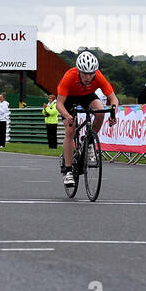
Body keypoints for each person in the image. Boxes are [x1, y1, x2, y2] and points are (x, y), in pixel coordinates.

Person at [56, 50, 120, 188]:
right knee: (70, 130)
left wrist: (113, 112)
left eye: (91, 73)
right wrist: (67, 116)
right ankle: (68, 171)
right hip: (69, 98)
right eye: (84, 73)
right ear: (78, 70)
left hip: (87, 95)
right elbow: (59, 104)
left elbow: (113, 98)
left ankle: (89, 141)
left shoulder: (98, 77)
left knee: (100, 112)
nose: (88, 76)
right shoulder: (69, 76)